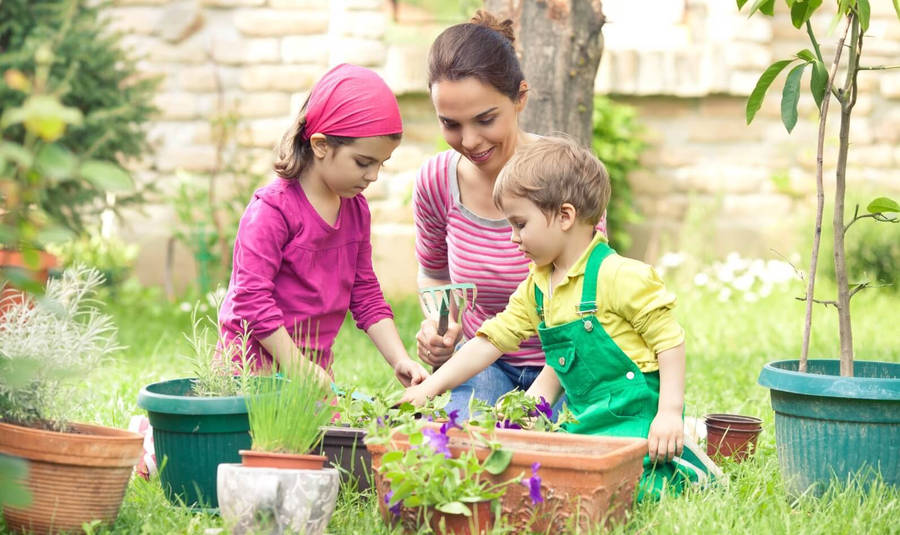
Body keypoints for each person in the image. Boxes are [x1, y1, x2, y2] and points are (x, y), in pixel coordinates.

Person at [404, 136, 711, 499]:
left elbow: (669, 340)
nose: (513, 238)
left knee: (632, 491)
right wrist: (429, 387)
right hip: (584, 419)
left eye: (520, 224)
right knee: (557, 483)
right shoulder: (538, 285)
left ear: (565, 216)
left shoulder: (619, 275)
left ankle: (688, 457)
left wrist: (669, 413)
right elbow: (490, 342)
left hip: (636, 416)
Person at [414, 10, 607, 417]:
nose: (469, 141)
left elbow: (591, 300)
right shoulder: (436, 181)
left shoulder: (564, 176)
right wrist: (441, 327)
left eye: (485, 119)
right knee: (467, 445)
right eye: (450, 124)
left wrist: (534, 406)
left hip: (567, 363)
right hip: (485, 360)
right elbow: (435, 272)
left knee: (561, 447)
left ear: (520, 97)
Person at [218, 63, 429, 387]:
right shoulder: (272, 212)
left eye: (381, 164)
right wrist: (296, 365)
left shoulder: (355, 210)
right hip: (250, 373)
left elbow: (365, 292)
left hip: (310, 374)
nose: (373, 175)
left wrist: (399, 358)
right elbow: (251, 300)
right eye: (363, 162)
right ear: (320, 145)